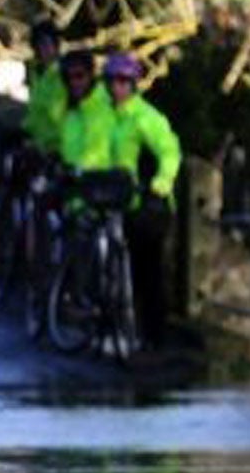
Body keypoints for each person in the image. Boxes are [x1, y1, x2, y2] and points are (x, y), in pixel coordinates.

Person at [103, 51, 182, 346]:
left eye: (124, 81)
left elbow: (169, 150)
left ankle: (153, 336)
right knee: (125, 269)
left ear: (133, 84)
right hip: (118, 202)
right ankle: (124, 328)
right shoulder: (108, 117)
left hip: (149, 207)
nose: (117, 88)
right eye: (112, 81)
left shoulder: (145, 118)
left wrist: (161, 182)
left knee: (148, 273)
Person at [56, 47, 114, 173]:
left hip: (101, 184)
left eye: (79, 75)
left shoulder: (103, 105)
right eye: (68, 77)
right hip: (71, 184)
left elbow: (99, 149)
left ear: (91, 75)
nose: (74, 82)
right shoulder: (69, 107)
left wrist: (80, 169)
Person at [22, 18, 66, 156]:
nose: (45, 49)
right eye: (40, 45)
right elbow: (34, 112)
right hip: (36, 144)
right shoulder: (35, 73)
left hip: (59, 147)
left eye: (48, 44)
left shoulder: (64, 73)